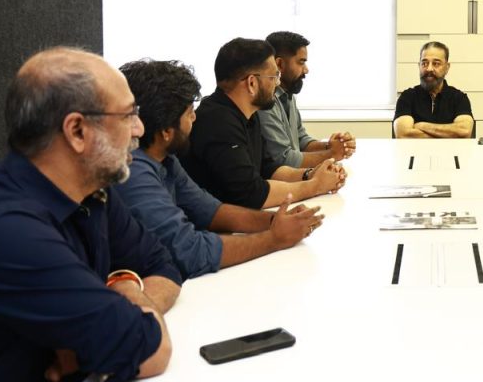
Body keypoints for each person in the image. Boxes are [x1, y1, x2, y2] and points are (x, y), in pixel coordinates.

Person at [0, 48, 180, 382]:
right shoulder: (5, 230)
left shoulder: (92, 192)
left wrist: (124, 288)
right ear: (77, 131)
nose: (139, 128)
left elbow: (163, 266)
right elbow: (148, 348)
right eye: (128, 115)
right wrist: (121, 318)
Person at [118, 59, 325, 280]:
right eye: (189, 113)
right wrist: (274, 238)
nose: (195, 118)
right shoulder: (133, 171)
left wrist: (275, 221)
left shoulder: (165, 158)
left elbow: (210, 210)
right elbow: (191, 252)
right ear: (166, 131)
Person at [180, 37, 342, 209]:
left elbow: (269, 169)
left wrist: (311, 174)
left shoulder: (249, 114)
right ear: (252, 83)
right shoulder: (217, 122)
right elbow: (252, 194)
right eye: (274, 76)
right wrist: (315, 186)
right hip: (215, 223)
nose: (278, 83)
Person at [259, 31, 356, 168]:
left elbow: (301, 140)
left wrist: (330, 145)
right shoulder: (265, 101)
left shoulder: (287, 95)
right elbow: (283, 159)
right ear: (279, 64)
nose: (306, 70)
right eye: (301, 62)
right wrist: (332, 154)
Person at [393, 41, 474, 138]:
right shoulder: (407, 97)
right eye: (424, 63)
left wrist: (421, 126)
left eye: (436, 63)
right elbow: (403, 134)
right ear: (419, 66)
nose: (429, 69)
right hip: (416, 149)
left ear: (447, 67)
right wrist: (449, 134)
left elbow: (464, 132)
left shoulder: (459, 98)